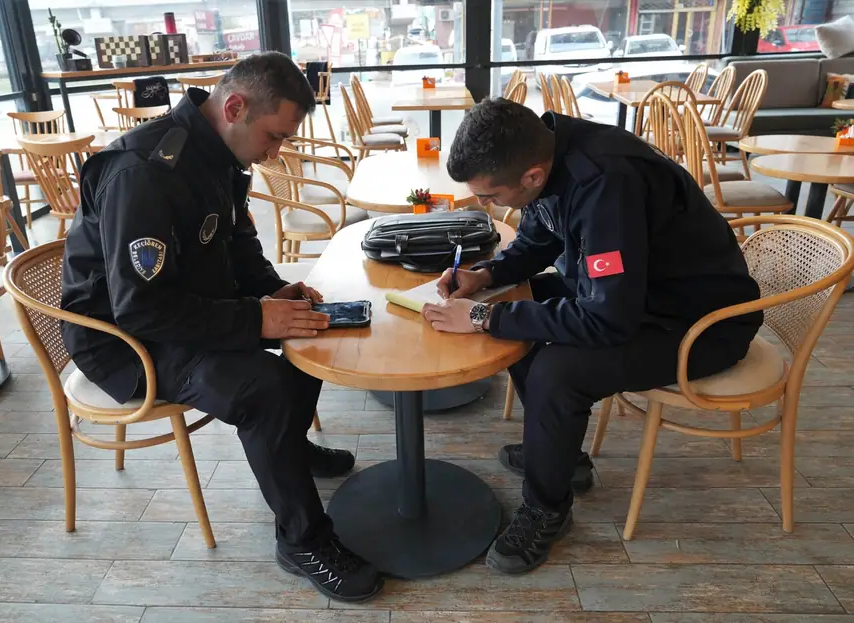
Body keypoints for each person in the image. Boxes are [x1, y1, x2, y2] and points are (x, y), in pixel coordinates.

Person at [60, 52, 384, 602]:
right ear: (234, 106)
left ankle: (289, 448)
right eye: (274, 136)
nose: (276, 152)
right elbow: (140, 307)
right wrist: (255, 317)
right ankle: (302, 539)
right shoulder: (145, 174)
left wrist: (274, 293)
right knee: (267, 389)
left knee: (312, 329)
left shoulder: (219, 155)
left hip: (184, 308)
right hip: (124, 339)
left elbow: (236, 246)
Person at [423, 99, 763, 574]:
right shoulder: (548, 152)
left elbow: (607, 321)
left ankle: (547, 509)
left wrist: (483, 318)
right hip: (639, 295)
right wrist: (488, 274)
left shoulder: (608, 183)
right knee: (517, 316)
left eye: (490, 195)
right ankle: (563, 457)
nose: (486, 205)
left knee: (557, 372)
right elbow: (542, 238)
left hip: (699, 323)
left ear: (533, 177)